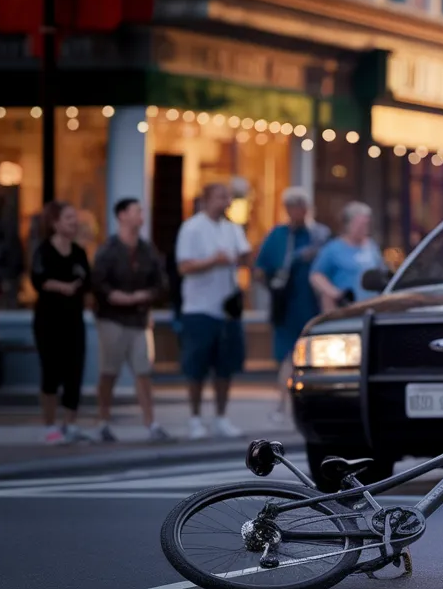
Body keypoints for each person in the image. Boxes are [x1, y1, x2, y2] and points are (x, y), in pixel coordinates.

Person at [90, 198, 172, 443]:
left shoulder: (147, 250)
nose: (141, 216)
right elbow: (97, 282)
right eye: (136, 211)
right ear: (122, 215)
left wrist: (144, 296)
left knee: (143, 371)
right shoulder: (108, 249)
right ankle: (103, 421)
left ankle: (151, 423)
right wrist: (113, 295)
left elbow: (161, 283)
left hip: (139, 319)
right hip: (112, 318)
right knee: (109, 371)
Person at [175, 183, 251, 440]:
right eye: (220, 197)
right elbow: (183, 266)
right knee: (196, 367)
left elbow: (245, 257)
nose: (226, 202)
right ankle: (195, 418)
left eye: (228, 197)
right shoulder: (192, 227)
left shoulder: (232, 228)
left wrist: (243, 258)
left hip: (227, 310)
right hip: (199, 308)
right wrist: (212, 261)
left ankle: (221, 417)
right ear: (206, 199)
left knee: (225, 367)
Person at [255, 188, 329, 424]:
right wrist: (275, 285)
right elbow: (260, 269)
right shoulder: (278, 236)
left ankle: (312, 406)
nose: (298, 211)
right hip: (287, 307)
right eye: (293, 206)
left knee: (315, 358)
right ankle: (282, 406)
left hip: (313, 305)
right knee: (287, 357)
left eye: (302, 205)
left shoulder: (319, 235)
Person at [30, 201, 92, 445]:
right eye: (68, 218)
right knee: (51, 372)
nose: (74, 222)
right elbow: (38, 279)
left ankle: (70, 424)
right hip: (49, 320)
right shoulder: (43, 250)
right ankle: (49, 426)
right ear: (55, 223)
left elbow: (87, 281)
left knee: (74, 371)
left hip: (74, 320)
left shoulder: (79, 252)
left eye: (74, 217)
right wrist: (62, 286)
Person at [310, 201, 387, 313]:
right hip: (346, 311)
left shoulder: (371, 246)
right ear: (348, 224)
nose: (364, 229)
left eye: (366, 225)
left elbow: (381, 272)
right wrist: (334, 293)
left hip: (371, 309)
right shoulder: (333, 249)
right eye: (360, 225)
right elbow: (316, 276)